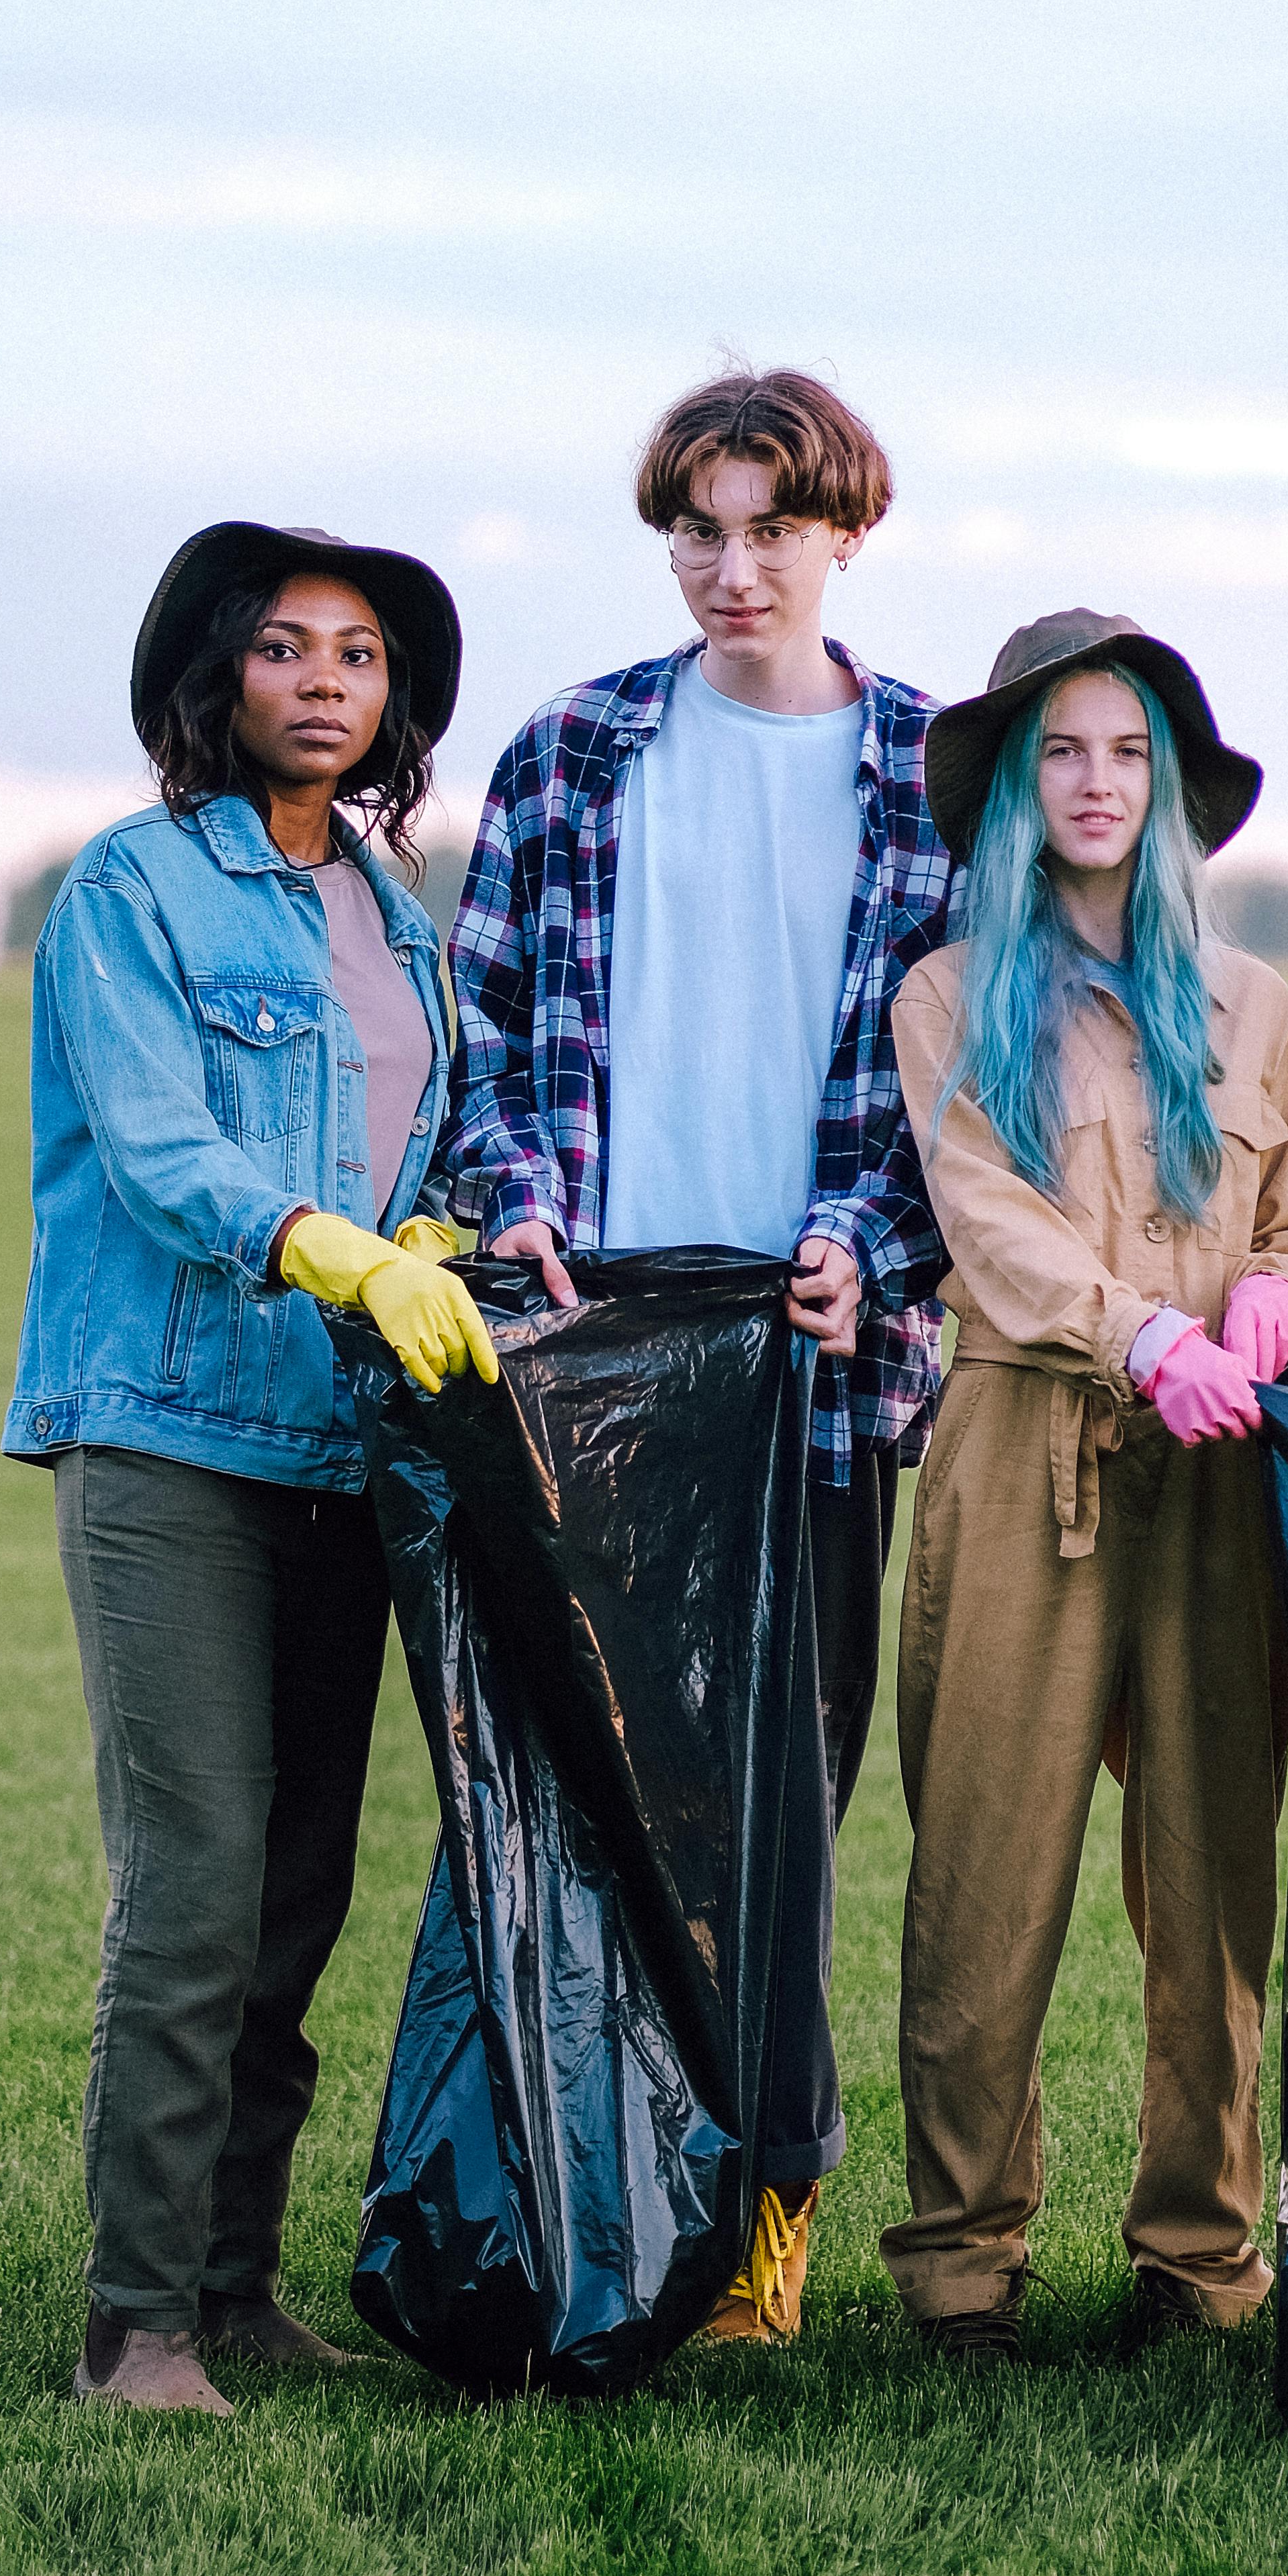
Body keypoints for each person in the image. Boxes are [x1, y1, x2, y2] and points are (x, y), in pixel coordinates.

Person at [441, 366, 952, 2344]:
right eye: (700, 531)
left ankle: (761, 2226)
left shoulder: (932, 773)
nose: (734, 570)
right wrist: (517, 1206)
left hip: (811, 1364)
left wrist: (871, 1252)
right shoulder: (572, 751)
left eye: (774, 531)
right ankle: (595, 2195)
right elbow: (490, 1037)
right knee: (582, 1787)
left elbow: (964, 1085)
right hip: (593, 1355)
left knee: (780, 1812)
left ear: (845, 534)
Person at [6, 521, 491, 2418]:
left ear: (390, 705)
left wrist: (428, 1241)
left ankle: (236, 2282)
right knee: (197, 1882)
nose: (324, 681)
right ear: (216, 682)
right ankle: (132, 2323)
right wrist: (324, 1240)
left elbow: (417, 1157)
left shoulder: (397, 915)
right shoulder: (128, 891)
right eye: (285, 649)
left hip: (342, 1447)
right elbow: (153, 1143)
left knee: (297, 1890)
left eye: (358, 656)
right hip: (164, 1436)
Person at [883, 610, 1288, 2359]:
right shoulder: (951, 999)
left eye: (1129, 754)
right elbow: (984, 1223)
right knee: (984, 1878)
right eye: (1063, 751)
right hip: (1029, 1455)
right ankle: (960, 2262)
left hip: (1220, 1475)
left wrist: (1273, 1299)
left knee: (1216, 1879)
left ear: (1169, 794)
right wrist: (1131, 1332)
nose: (1096, 783)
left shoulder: (1255, 1007)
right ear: (1017, 787)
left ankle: (1198, 2260)